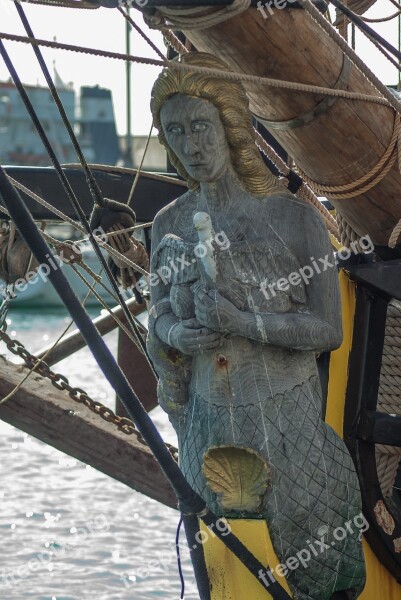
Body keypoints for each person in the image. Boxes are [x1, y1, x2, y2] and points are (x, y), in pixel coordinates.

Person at [147, 51, 366, 599]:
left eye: (201, 126)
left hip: (287, 425)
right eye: (176, 132)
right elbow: (159, 316)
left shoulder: (293, 220)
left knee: (317, 572)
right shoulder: (167, 224)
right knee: (225, 574)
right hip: (208, 426)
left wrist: (243, 321)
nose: (192, 145)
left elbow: (326, 330)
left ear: (231, 126)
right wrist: (178, 335)